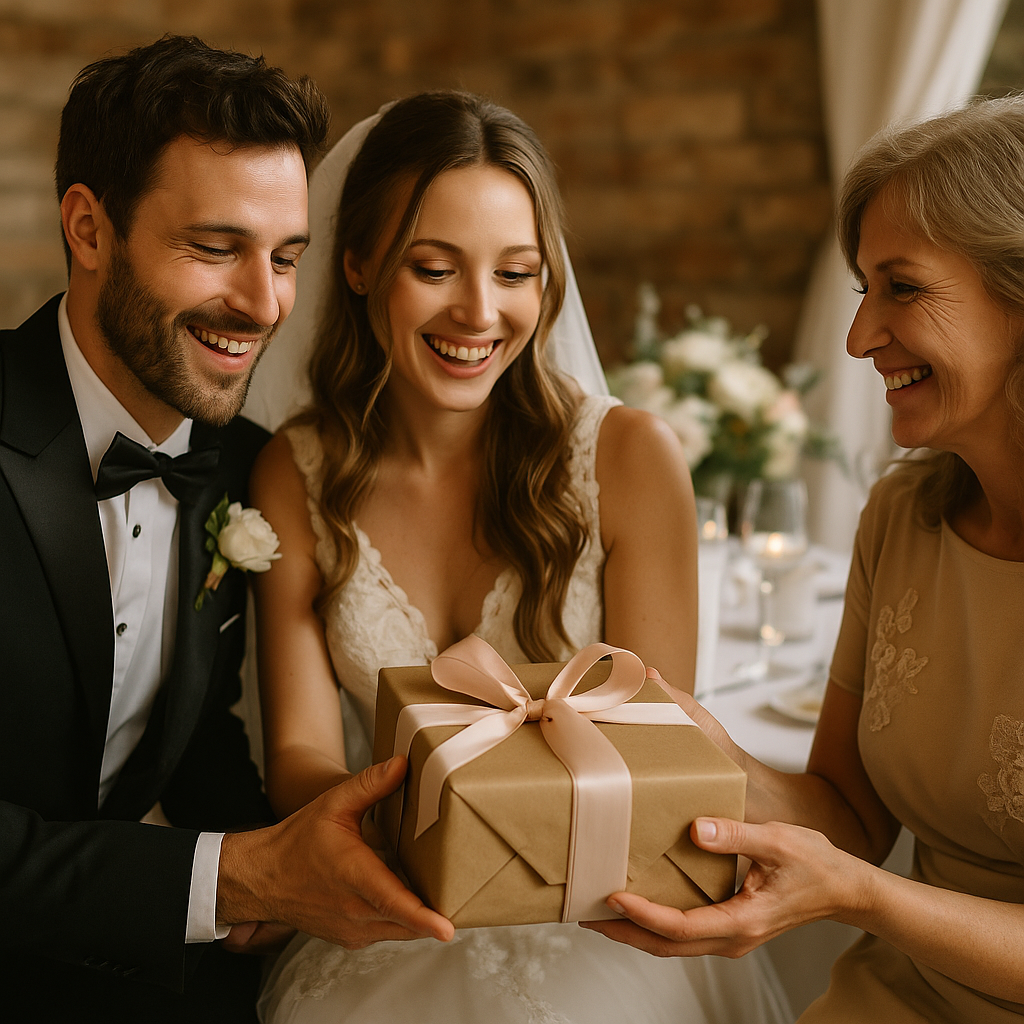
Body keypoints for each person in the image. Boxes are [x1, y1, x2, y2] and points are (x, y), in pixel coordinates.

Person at [247, 90, 793, 1024]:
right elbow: (298, 753)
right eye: (433, 267)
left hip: (601, 910)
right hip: (392, 891)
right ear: (359, 265)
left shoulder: (628, 458)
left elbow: (655, 733)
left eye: (516, 272)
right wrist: (426, 832)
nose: (479, 311)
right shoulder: (294, 475)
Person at [0, 36, 454, 1024]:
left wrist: (307, 855)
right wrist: (229, 878)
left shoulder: (245, 465)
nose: (262, 304)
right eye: (214, 248)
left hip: (131, 963)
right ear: (89, 229)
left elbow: (196, 738)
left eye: (285, 257)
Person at [584, 96, 1024, 1022]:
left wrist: (863, 899)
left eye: (901, 286)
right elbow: (850, 822)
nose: (860, 336)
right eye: (863, 288)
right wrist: (688, 737)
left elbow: (856, 878)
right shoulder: (903, 516)